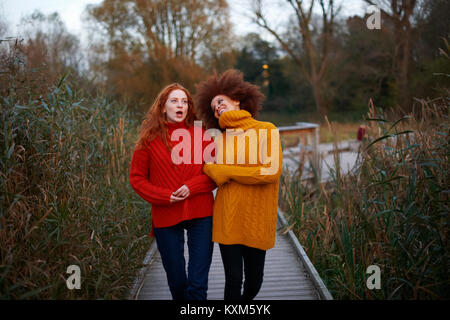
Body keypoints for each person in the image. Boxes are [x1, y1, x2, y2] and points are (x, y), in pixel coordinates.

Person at [194, 69, 283, 300]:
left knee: (255, 282)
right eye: (213, 106)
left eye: (220, 101)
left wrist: (226, 172)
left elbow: (270, 172)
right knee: (233, 279)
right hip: (227, 217)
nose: (217, 108)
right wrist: (213, 169)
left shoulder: (266, 130)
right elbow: (205, 167)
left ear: (236, 99)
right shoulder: (217, 138)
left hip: (257, 217)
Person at [129, 83, 216, 300]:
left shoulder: (202, 134)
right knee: (177, 282)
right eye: (174, 101)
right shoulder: (148, 139)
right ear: (162, 106)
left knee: (197, 284)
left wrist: (192, 187)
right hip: (165, 214)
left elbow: (215, 174)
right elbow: (137, 178)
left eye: (184, 101)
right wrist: (165, 196)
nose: (181, 105)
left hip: (201, 212)